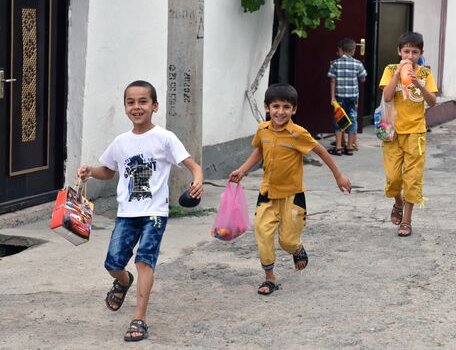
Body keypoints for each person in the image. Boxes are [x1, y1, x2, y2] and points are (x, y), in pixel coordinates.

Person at [77, 80, 203, 342]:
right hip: (126, 214)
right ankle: (123, 281)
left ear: (154, 106)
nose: (137, 107)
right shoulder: (121, 142)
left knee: (144, 260)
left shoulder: (165, 138)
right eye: (131, 102)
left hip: (155, 213)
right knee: (113, 263)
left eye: (143, 101)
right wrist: (91, 171)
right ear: (125, 107)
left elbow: (193, 165)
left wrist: (198, 180)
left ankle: (139, 317)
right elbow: (109, 171)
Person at [229, 83, 352, 295]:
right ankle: (269, 278)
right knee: (263, 234)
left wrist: (338, 175)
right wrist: (242, 170)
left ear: (294, 110)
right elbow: (259, 151)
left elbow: (321, 151)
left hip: (293, 198)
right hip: (267, 195)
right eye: (276, 106)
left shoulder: (298, 133)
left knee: (287, 241)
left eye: (286, 107)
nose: (280, 112)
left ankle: (296, 249)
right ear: (267, 108)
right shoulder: (262, 130)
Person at [378, 32, 437, 237]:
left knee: (412, 179)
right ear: (399, 52)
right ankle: (398, 202)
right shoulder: (390, 69)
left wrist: (418, 82)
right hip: (392, 131)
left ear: (421, 53)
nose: (410, 56)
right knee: (393, 178)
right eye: (406, 51)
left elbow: (432, 102)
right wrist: (398, 74)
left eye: (414, 52)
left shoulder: (425, 74)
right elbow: (386, 96)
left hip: (415, 132)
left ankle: (407, 221)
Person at [327, 38, 367, 156]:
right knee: (353, 120)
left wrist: (332, 97)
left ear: (341, 50)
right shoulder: (358, 64)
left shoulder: (335, 63)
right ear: (354, 50)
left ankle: (338, 147)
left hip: (339, 97)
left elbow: (332, 81)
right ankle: (349, 148)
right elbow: (363, 79)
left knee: (339, 120)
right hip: (353, 98)